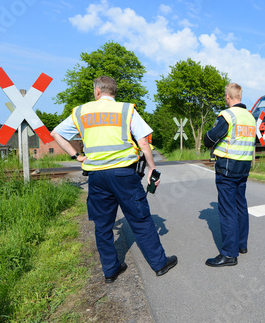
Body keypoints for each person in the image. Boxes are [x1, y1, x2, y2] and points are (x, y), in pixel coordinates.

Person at [51, 76, 177, 282]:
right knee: (141, 219)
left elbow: (56, 133)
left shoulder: (81, 112)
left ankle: (110, 270)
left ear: (97, 91)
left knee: (102, 224)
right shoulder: (126, 110)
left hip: (97, 176)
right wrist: (152, 169)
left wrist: (76, 156)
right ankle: (159, 264)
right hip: (124, 175)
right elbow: (144, 143)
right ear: (113, 92)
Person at [203, 83, 256, 267]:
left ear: (228, 96)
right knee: (241, 204)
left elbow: (209, 139)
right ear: (240, 96)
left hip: (227, 168)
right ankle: (242, 245)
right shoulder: (250, 117)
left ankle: (229, 254)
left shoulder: (227, 115)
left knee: (227, 210)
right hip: (244, 167)